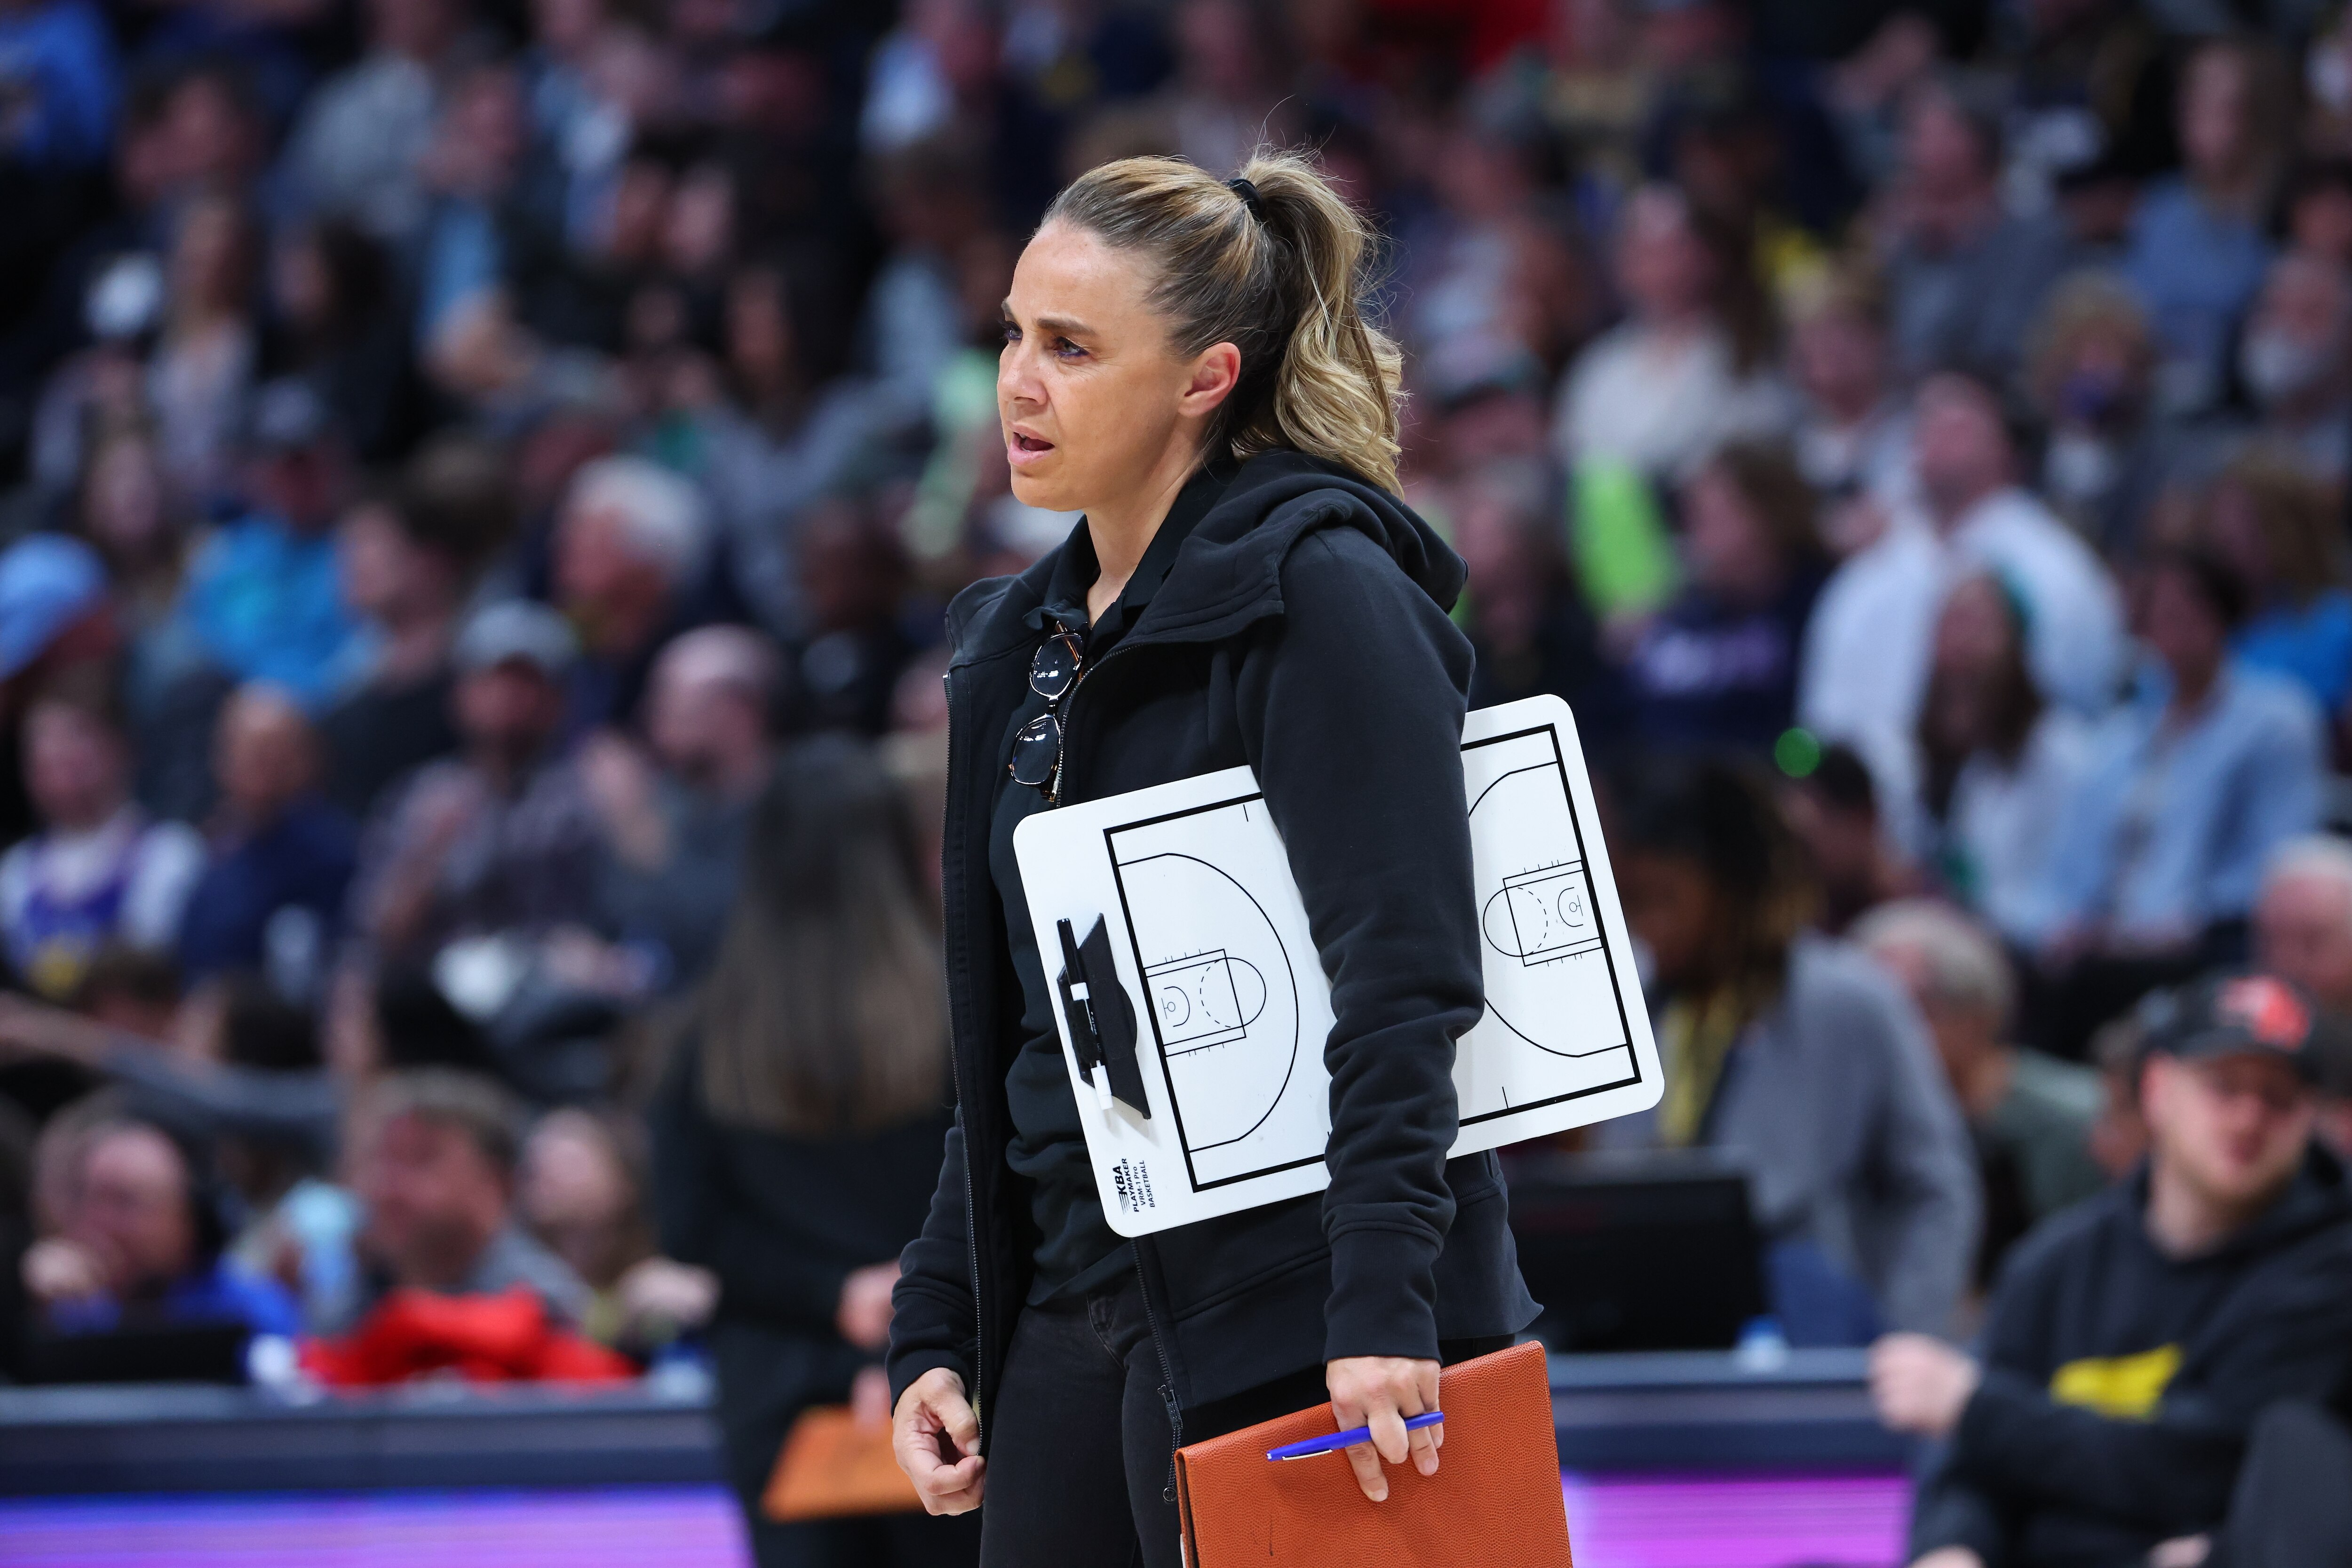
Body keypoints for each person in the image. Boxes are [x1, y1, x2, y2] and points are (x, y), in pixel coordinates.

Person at [884, 151, 1537, 1565]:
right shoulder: (1013, 642)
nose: (1017, 383)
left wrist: (1379, 1303)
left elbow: (1408, 975)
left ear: (1204, 377)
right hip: (1063, 1316)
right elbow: (1015, 1029)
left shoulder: (1322, 593)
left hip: (1288, 1315)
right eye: (1010, 333)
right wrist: (940, 1316)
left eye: (1069, 346)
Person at [1874, 973, 2352, 1568]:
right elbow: (1972, 1466)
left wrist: (1977, 1409)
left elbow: (2202, 1467)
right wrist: (1951, 1546)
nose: (2247, 1118)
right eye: (2221, 1087)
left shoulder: (2331, 1269)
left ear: (2312, 1118)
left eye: (2277, 1098)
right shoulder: (2053, 1263)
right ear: (2156, 1090)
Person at [652, 740, 975, 1568]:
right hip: (948, 1368)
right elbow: (995, 1190)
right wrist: (901, 1314)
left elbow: (691, 1229)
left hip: (777, 1379)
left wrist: (836, 1296)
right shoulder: (965, 1016)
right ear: (897, 850)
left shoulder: (701, 1037)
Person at [1602, 755, 1978, 1342]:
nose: (1649, 927)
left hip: (1815, 1347)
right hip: (1656, 1347)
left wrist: (1903, 1341)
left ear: (1732, 888)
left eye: (1665, 898)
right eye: (1632, 904)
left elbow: (1936, 1189)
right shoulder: (1633, 1013)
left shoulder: (1852, 1001)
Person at [2028, 550, 2323, 1057]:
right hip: (2113, 942)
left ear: (2224, 617)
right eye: (2160, 614)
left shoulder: (2276, 723)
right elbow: (2075, 859)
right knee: (2038, 972)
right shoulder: (2118, 738)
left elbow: (2278, 860)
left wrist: (2187, 925)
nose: (2174, 628)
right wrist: (2074, 923)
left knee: (2086, 992)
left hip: (2211, 941)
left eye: (2190, 612)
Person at [1853, 900, 2106, 1286]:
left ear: (1978, 1015)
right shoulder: (1863, 1124)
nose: (1885, 1035)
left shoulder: (2079, 1121)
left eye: (1911, 1010)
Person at [348, 598, 600, 969]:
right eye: (492, 680)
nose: (507, 697)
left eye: (526, 682)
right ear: (460, 695)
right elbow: (377, 937)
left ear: (557, 701)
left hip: (546, 991)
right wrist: (428, 852)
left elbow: (599, 927)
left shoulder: (586, 795)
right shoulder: (418, 794)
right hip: (429, 995)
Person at [1907, 574, 2092, 948]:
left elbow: (2072, 896)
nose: (1959, 646)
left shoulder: (2064, 755)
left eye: (1975, 625)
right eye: (1948, 625)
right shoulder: (1952, 762)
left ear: (2018, 642)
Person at [22, 1107, 299, 1339]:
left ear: (189, 1218)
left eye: (124, 1202)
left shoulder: (251, 1313)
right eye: (85, 1197)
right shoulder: (66, 1308)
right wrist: (23, 1304)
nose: (98, 1221)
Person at [1622, 440, 1827, 753]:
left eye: (1707, 518)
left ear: (1766, 516)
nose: (1694, 537)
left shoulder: (1820, 608)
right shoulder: (1678, 616)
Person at [346, 1067, 589, 1328]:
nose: (390, 1187)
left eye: (421, 1159)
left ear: (496, 1181)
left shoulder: (548, 1311)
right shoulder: (354, 1305)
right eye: (383, 1161)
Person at [0, 692, 203, 1000]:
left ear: (122, 748)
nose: (55, 751)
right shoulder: (15, 871)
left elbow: (155, 969)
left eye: (75, 736)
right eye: (40, 742)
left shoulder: (168, 852)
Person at [177, 684, 358, 996]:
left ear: (308, 758)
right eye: (245, 750)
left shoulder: (332, 852)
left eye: (274, 750)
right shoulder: (214, 847)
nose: (261, 764)